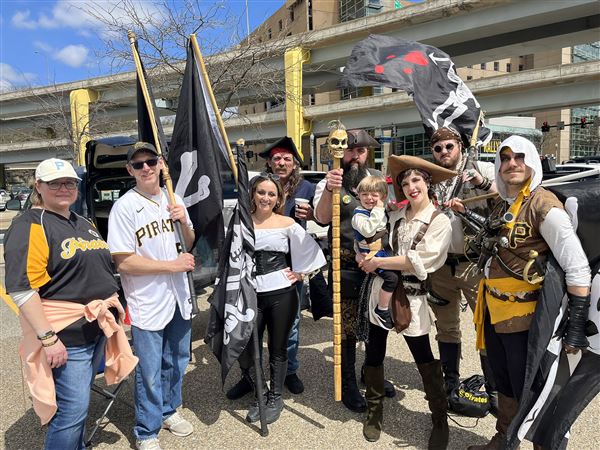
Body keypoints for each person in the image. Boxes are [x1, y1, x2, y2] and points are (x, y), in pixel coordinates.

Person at [448, 135, 592, 450]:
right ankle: (503, 440)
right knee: (506, 387)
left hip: (526, 320)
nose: (512, 163)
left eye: (520, 157)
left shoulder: (543, 205)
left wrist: (576, 327)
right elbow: (494, 235)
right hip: (494, 312)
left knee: (538, 391)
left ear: (532, 162)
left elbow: (577, 266)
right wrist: (462, 211)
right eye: (506, 158)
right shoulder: (505, 202)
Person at [4, 158, 136, 450]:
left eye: (69, 183)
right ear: (38, 186)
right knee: (71, 412)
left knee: (79, 406)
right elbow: (22, 289)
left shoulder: (82, 222)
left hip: (95, 329)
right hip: (66, 335)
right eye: (54, 183)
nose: (63, 188)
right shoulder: (30, 224)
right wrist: (49, 339)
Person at [358, 155, 455, 449]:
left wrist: (377, 262)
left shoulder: (440, 222)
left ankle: (440, 418)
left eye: (416, 180)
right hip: (382, 291)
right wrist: (366, 256)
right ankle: (374, 411)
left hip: (413, 298)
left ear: (428, 183)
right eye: (405, 182)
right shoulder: (395, 217)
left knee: (423, 356)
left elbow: (422, 260)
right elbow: (372, 238)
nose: (411, 186)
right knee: (374, 352)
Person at [107, 142, 196, 450]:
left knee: (178, 359)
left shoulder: (175, 198)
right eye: (138, 163)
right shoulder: (125, 206)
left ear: (161, 164)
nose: (146, 167)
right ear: (130, 170)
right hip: (148, 300)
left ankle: (169, 410)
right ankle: (146, 430)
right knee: (149, 369)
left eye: (150, 161)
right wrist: (171, 266)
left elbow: (190, 241)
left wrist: (183, 221)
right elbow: (124, 261)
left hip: (178, 296)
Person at [226, 136, 324, 399]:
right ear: (270, 162)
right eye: (277, 158)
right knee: (249, 331)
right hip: (253, 272)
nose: (282, 163)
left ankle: (289, 372)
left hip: (290, 267)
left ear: (294, 164)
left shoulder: (305, 188)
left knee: (288, 331)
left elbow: (323, 218)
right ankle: (250, 378)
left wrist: (312, 216)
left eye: (287, 159)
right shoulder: (255, 187)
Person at [313, 128, 393, 412]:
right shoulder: (332, 179)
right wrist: (329, 189)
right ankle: (348, 382)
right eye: (350, 150)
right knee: (346, 330)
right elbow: (322, 219)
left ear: (367, 152)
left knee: (374, 325)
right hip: (345, 265)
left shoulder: (377, 180)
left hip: (375, 263)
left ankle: (370, 374)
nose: (355, 156)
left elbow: (389, 218)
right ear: (341, 152)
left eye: (360, 151)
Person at [243, 172, 326, 424]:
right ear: (253, 194)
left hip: (281, 291)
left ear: (278, 198)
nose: (265, 198)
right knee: (249, 346)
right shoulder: (240, 222)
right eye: (261, 192)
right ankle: (260, 393)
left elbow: (311, 250)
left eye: (271, 194)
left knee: (278, 346)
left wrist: (300, 272)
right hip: (249, 292)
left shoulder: (287, 223)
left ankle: (275, 397)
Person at [427, 126, 498, 401]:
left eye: (449, 146)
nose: (444, 152)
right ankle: (451, 382)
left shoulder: (483, 169)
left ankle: (494, 387)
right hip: (441, 265)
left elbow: (503, 201)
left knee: (485, 325)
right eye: (438, 148)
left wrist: (480, 182)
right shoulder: (430, 176)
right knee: (445, 326)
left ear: (459, 146)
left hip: (474, 264)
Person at [351, 175, 398, 330]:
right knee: (391, 278)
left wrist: (386, 208)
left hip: (383, 251)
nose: (369, 198)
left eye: (374, 195)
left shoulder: (378, 210)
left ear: (382, 197)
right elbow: (368, 229)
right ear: (358, 196)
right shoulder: (359, 215)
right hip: (372, 255)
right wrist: (378, 209)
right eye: (364, 194)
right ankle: (382, 309)